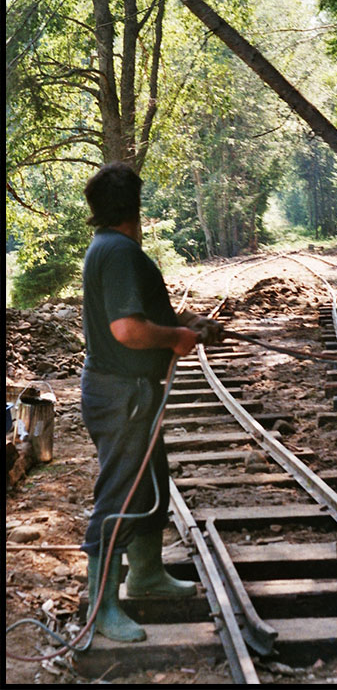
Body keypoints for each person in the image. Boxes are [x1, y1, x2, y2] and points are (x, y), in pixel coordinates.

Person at [81, 162, 224, 643]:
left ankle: (145, 574)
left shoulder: (108, 248)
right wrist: (177, 336)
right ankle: (101, 608)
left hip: (130, 394)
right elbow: (128, 330)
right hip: (122, 396)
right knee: (120, 497)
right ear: (134, 207)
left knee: (150, 484)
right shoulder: (119, 252)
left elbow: (141, 315)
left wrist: (189, 323)